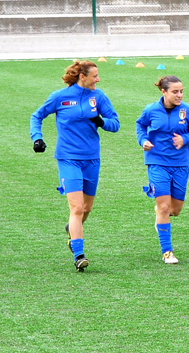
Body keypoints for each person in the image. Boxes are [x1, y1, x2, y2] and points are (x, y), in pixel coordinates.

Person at [30, 60, 120, 272]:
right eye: (95, 76)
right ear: (82, 76)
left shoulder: (99, 97)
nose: (98, 79)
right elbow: (37, 116)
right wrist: (37, 138)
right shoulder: (60, 97)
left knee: (86, 209)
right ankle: (79, 255)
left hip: (91, 160)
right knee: (77, 207)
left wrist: (101, 122)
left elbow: (115, 123)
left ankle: (71, 228)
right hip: (68, 158)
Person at [136, 76, 189, 265]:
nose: (179, 95)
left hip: (181, 163)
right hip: (157, 162)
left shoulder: (188, 111)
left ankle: (161, 218)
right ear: (163, 92)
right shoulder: (151, 110)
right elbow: (140, 125)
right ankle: (167, 252)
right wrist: (143, 141)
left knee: (175, 209)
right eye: (175, 91)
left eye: (181, 91)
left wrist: (185, 139)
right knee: (164, 207)